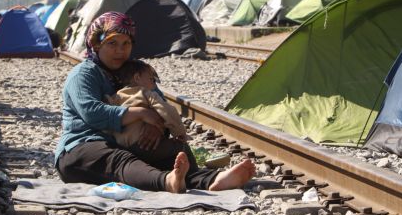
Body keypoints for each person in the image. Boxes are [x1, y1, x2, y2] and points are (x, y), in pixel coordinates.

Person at [55, 11, 255, 193]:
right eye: (112, 43)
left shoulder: (134, 71)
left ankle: (212, 180)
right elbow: (93, 112)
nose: (120, 50)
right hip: (83, 148)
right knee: (121, 161)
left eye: (126, 44)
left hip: (124, 142)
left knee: (176, 152)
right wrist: (141, 114)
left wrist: (158, 127)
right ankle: (167, 182)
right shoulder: (83, 74)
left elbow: (157, 102)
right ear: (96, 44)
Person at [106, 59, 188, 150]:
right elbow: (167, 110)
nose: (154, 83)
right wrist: (180, 132)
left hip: (124, 147)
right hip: (145, 143)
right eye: (151, 79)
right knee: (182, 147)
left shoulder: (115, 97)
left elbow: (108, 122)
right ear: (137, 78)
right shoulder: (146, 93)